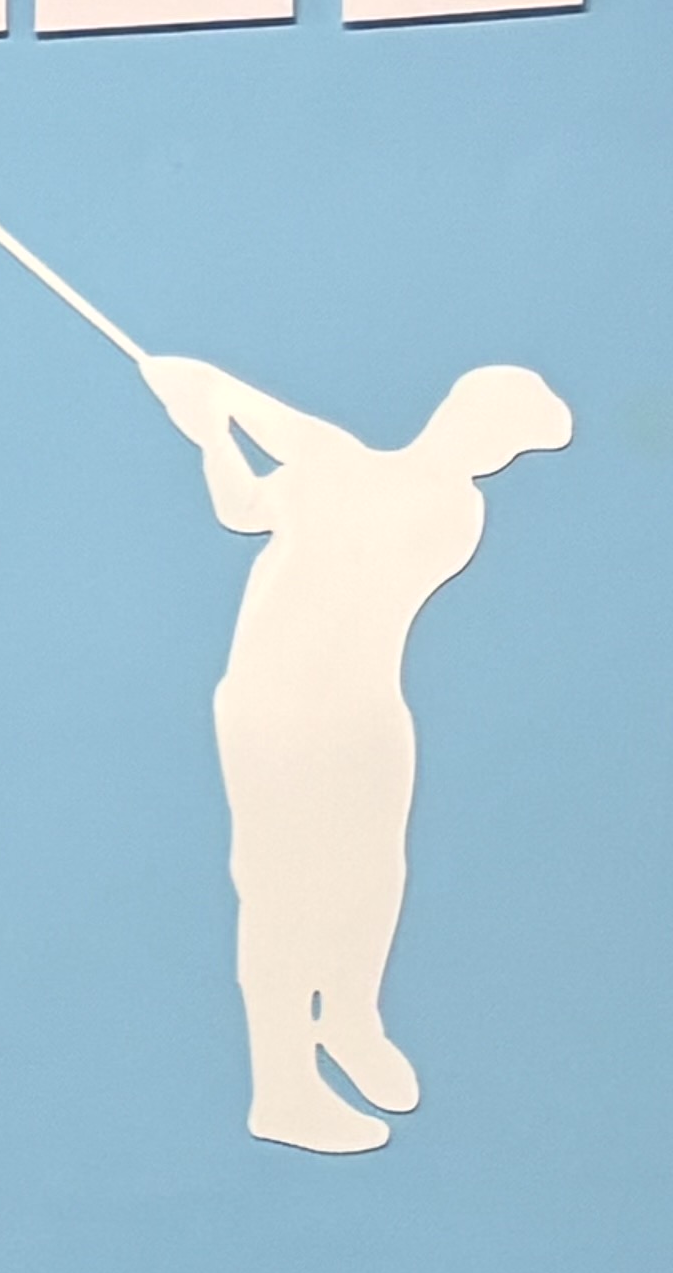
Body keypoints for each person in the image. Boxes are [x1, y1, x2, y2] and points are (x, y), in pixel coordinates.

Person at [132, 348, 567, 1155]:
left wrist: (214, 404)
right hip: (274, 707)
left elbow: (306, 453)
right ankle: (283, 1088)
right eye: (503, 435)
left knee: (374, 878)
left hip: (364, 710)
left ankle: (350, 1020)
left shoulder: (447, 509)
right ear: (459, 416)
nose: (500, 456)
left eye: (512, 448)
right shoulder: (344, 469)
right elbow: (244, 506)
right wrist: (210, 424)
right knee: (283, 889)